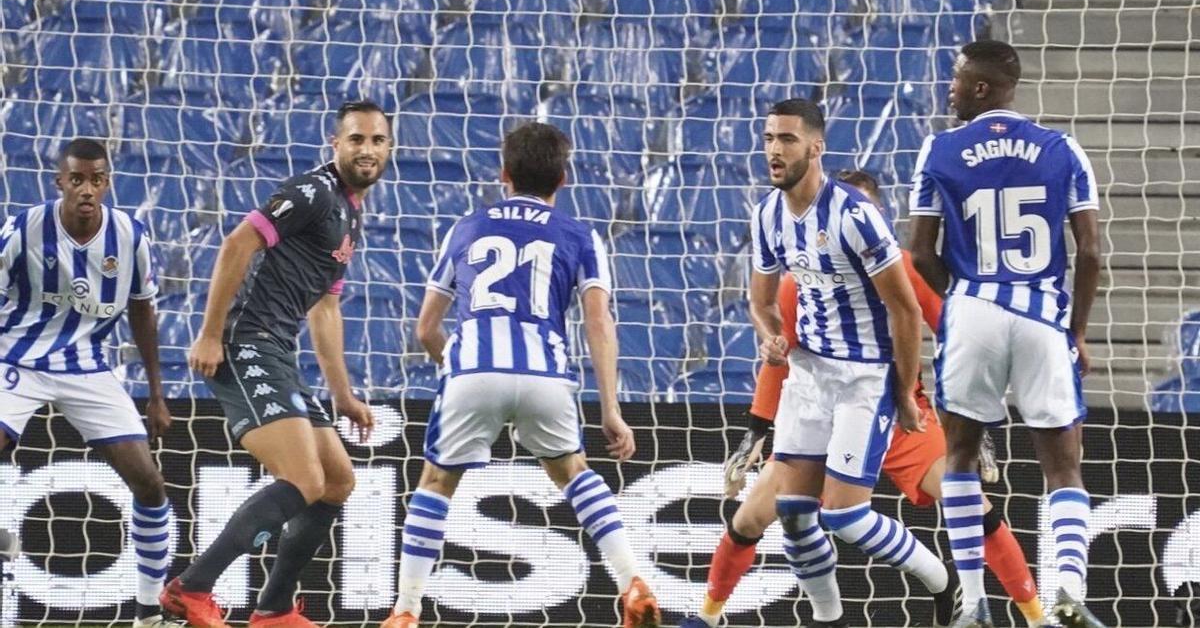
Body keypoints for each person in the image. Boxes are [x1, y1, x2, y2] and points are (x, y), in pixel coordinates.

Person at [680, 170, 1043, 628]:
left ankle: (1036, 616)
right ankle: (708, 617)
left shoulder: (907, 271)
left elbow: (957, 339)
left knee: (970, 505)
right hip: (825, 413)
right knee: (754, 517)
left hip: (899, 412)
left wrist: (971, 421)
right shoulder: (802, 281)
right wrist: (756, 428)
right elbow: (785, 356)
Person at [381, 122, 660, 628]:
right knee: (574, 473)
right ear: (565, 178)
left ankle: (405, 610)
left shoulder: (466, 227)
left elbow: (425, 328)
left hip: (473, 369)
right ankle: (632, 581)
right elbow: (599, 322)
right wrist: (612, 410)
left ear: (504, 173)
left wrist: (464, 370)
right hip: (544, 375)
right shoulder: (580, 235)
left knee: (436, 482)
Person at [159, 101, 387, 628]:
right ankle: (190, 589)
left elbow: (326, 308)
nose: (367, 150)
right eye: (356, 139)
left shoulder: (350, 212)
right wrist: (211, 334)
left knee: (336, 480)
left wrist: (343, 393)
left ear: (389, 148)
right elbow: (238, 242)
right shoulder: (313, 191)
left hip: (278, 349)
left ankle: (274, 609)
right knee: (303, 477)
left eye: (377, 140)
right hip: (246, 343)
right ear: (336, 144)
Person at [908, 39, 1104, 628]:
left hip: (972, 314)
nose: (950, 88)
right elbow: (1091, 252)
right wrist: (1076, 330)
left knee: (962, 459)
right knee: (1063, 468)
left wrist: (965, 298)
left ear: (983, 88)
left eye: (958, 79)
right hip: (1043, 315)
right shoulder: (1063, 149)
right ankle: (1067, 587)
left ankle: (973, 600)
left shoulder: (939, 149)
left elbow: (919, 253)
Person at [746, 99, 957, 627]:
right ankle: (828, 619)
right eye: (769, 137)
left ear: (816, 147)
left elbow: (906, 308)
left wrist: (905, 391)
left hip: (864, 378)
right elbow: (761, 301)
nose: (774, 149)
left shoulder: (854, 215)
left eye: (787, 139)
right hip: (808, 375)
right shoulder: (768, 214)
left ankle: (942, 581)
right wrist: (773, 339)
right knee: (793, 516)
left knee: (843, 514)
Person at [0, 138, 178, 627]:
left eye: (95, 179)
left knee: (149, 483)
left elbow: (143, 311)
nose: (85, 188)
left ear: (106, 183)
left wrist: (157, 395)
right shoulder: (22, 229)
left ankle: (148, 610)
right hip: (18, 358)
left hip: (89, 368)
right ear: (59, 182)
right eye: (75, 178)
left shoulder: (130, 236)